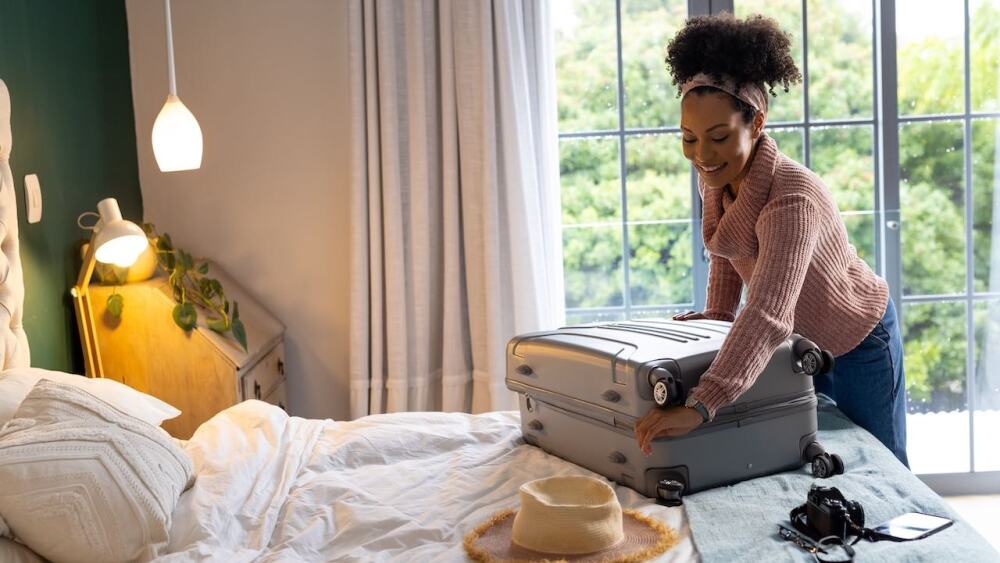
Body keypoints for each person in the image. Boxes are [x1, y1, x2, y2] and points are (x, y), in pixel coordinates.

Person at [632, 12, 909, 467]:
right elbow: (727, 244)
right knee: (812, 458)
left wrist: (702, 405)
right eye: (688, 138)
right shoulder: (718, 177)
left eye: (718, 137)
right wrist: (716, 319)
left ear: (756, 124)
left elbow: (766, 312)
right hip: (800, 345)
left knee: (881, 463)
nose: (702, 155)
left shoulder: (791, 197)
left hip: (860, 338)